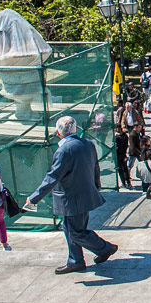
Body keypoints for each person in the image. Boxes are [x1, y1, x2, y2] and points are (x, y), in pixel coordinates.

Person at [25, 116, 118, 274]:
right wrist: (96, 187)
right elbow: (96, 167)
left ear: (58, 132)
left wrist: (34, 198)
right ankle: (76, 260)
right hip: (85, 194)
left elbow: (52, 177)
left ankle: (104, 248)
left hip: (72, 198)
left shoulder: (64, 150)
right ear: (75, 129)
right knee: (70, 230)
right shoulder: (87, 144)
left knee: (76, 232)